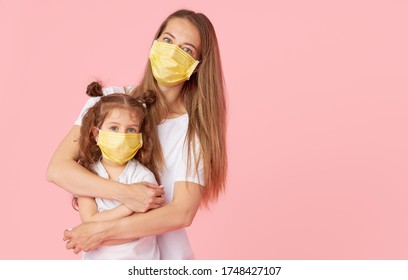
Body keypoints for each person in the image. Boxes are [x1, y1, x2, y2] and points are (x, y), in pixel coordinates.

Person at [47, 9, 227, 260]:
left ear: (198, 66)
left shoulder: (193, 131)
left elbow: (182, 213)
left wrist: (100, 230)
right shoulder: (108, 103)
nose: (172, 52)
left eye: (186, 50)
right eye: (167, 40)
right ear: (154, 43)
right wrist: (127, 194)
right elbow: (57, 169)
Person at [74, 82, 160, 260]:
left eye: (131, 130)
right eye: (114, 128)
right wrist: (130, 205)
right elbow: (89, 221)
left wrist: (94, 231)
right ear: (97, 134)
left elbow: (133, 232)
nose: (122, 136)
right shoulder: (86, 174)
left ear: (140, 137)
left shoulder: (144, 177)